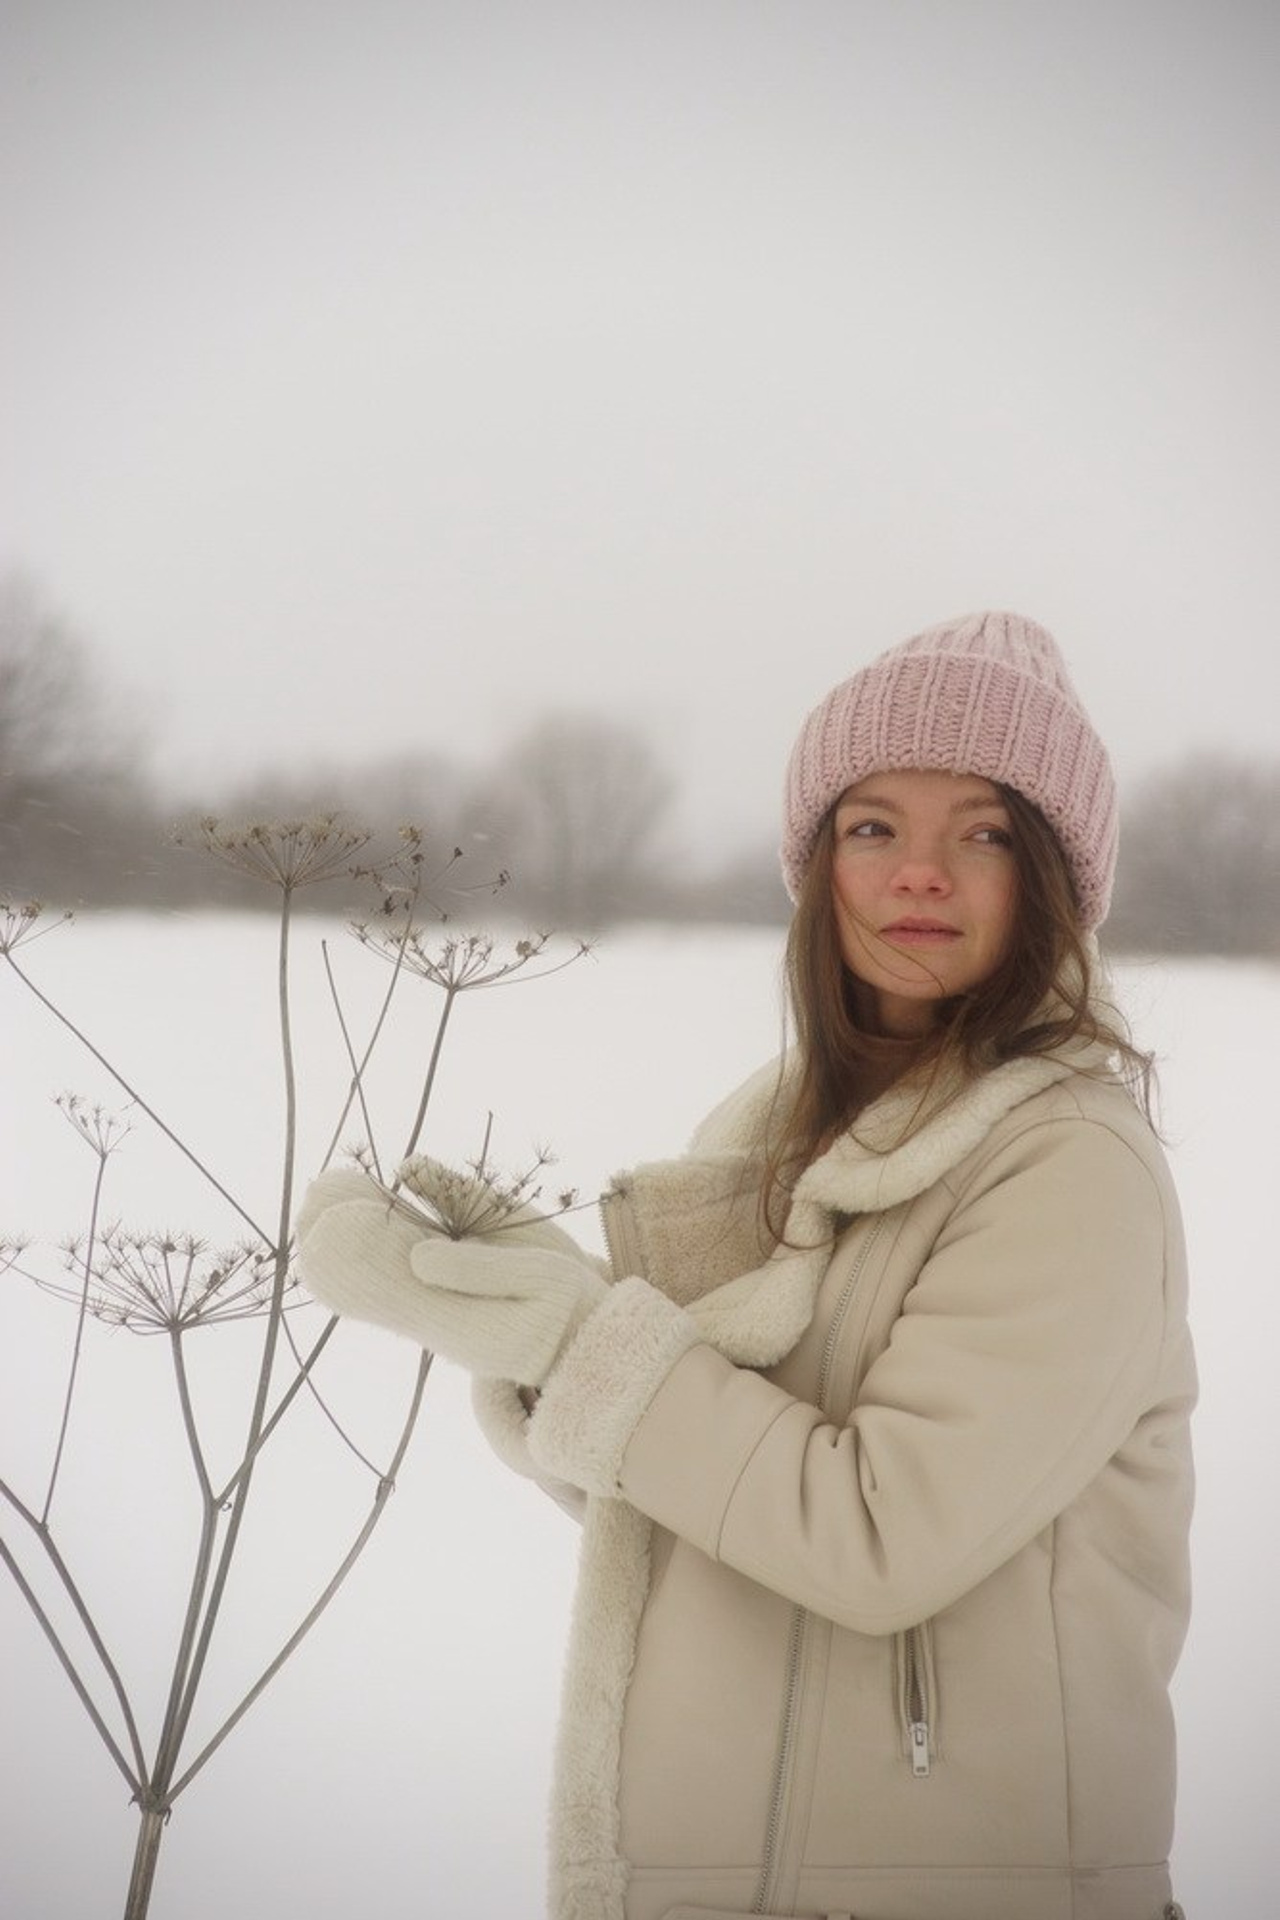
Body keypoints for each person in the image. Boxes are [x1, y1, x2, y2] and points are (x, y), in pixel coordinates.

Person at [296, 611, 1195, 1920]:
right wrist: (542, 1341)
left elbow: (877, 1534)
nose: (921, 872)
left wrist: (583, 1343)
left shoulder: (1070, 1164)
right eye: (873, 825)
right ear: (818, 862)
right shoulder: (773, 1132)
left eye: (985, 831)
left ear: (1052, 879)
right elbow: (710, 1505)